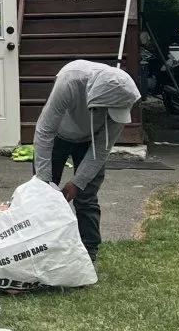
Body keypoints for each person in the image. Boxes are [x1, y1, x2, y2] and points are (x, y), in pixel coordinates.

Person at [32, 58, 142, 261]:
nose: (111, 115)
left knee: (86, 197)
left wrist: (78, 182)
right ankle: (40, 248)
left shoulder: (121, 95)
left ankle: (89, 253)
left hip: (90, 141)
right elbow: (45, 130)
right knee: (43, 195)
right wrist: (44, 179)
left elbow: (102, 148)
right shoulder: (70, 81)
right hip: (57, 136)